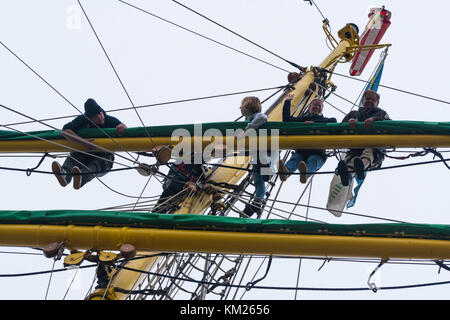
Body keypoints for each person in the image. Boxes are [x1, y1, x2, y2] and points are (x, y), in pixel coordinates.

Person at [51, 98, 127, 189]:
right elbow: (65, 131)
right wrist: (83, 142)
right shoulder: (82, 120)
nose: (99, 117)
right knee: (76, 156)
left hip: (104, 157)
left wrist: (122, 127)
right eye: (95, 116)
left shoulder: (111, 120)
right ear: (89, 118)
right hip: (85, 152)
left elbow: (124, 128)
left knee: (97, 164)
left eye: (100, 113)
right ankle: (65, 174)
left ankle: (81, 178)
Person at [278, 94, 337, 183]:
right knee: (295, 159)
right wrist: (287, 102)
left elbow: (334, 121)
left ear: (321, 109)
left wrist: (313, 123)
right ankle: (285, 172)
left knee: (313, 160)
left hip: (317, 153)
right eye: (314, 105)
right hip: (301, 151)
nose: (317, 107)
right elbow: (287, 120)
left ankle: (305, 174)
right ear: (309, 107)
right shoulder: (302, 119)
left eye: (319, 106)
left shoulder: (325, 120)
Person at [336, 90, 391, 186]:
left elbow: (388, 122)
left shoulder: (380, 113)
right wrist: (349, 123)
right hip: (355, 148)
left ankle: (362, 166)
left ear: (377, 103)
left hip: (374, 148)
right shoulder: (354, 114)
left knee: (368, 152)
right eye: (367, 99)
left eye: (373, 100)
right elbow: (341, 126)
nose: (369, 101)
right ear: (362, 101)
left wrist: (373, 119)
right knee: (350, 159)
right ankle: (348, 175)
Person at [237, 96, 275, 218]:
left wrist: (246, 130)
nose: (240, 109)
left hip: (264, 148)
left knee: (265, 160)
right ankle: (258, 201)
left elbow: (263, 118)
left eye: (242, 106)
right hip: (255, 153)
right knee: (257, 180)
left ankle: (267, 171)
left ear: (248, 106)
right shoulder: (247, 119)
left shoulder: (257, 116)